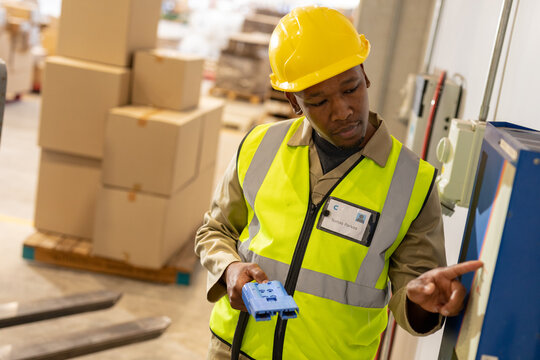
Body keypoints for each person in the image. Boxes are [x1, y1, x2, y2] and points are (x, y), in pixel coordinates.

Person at [195, 5, 482, 360]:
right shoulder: (259, 146)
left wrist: (423, 301)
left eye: (351, 88)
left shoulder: (413, 182)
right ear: (293, 101)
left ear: (365, 74)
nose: (343, 110)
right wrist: (230, 268)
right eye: (319, 100)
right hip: (233, 351)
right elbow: (214, 230)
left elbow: (416, 294)